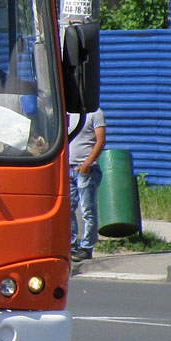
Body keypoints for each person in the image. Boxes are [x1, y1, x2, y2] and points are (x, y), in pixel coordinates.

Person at [69, 107, 106, 261]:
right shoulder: (68, 111)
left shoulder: (95, 113)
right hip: (68, 167)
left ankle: (87, 246)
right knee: (68, 208)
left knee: (87, 210)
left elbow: (101, 140)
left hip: (86, 169)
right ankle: (71, 245)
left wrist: (87, 164)